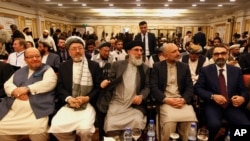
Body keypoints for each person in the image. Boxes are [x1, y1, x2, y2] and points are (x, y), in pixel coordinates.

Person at [49, 36, 102, 141]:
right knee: (56, 128)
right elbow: (60, 87)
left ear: (84, 50)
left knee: (85, 130)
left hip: (88, 104)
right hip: (69, 104)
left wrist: (87, 98)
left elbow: (98, 87)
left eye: (80, 48)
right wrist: (69, 99)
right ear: (69, 52)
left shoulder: (94, 66)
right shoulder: (64, 66)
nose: (77, 51)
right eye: (74, 49)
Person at [0, 47, 57, 141]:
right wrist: (14, 91)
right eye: (30, 57)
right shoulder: (19, 71)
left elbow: (49, 83)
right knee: (1, 128)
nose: (35, 59)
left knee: (38, 130)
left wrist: (27, 89)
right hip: (12, 112)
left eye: (37, 56)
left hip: (36, 112)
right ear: (25, 59)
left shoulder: (47, 69)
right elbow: (7, 84)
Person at [194, 45, 250, 140]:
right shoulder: (206, 70)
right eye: (216, 54)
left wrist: (243, 98)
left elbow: (243, 90)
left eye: (223, 53)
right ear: (212, 57)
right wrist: (212, 96)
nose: (220, 56)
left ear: (227, 55)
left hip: (232, 106)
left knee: (244, 125)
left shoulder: (236, 71)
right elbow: (198, 88)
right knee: (214, 125)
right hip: (212, 105)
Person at [98, 40, 150, 138]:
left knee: (137, 122)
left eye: (141, 50)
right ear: (128, 51)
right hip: (117, 102)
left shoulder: (145, 68)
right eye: (136, 50)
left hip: (133, 105)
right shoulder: (117, 65)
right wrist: (106, 81)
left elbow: (148, 86)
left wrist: (141, 96)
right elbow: (110, 79)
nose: (139, 53)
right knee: (111, 124)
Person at [150, 43, 197, 141]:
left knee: (191, 120)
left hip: (181, 100)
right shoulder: (157, 67)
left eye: (178, 50)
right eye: (174, 52)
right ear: (165, 55)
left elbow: (189, 87)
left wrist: (184, 100)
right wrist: (165, 99)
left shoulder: (184, 67)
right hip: (166, 101)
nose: (178, 53)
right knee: (169, 123)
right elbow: (153, 87)